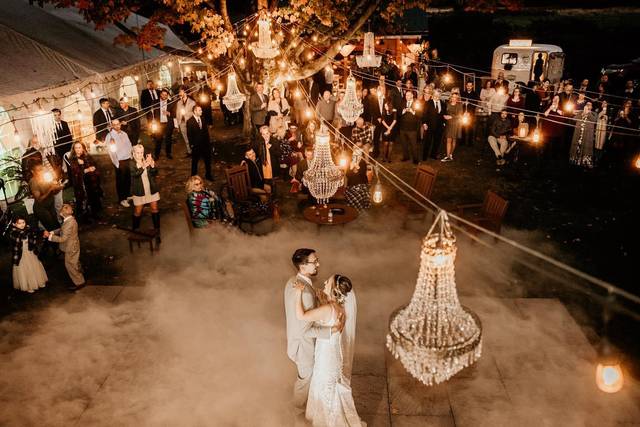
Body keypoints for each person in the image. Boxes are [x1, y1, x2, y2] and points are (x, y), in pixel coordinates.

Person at [292, 274, 362, 426]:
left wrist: (298, 293)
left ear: (334, 289)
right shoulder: (339, 308)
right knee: (329, 387)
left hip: (326, 357)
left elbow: (301, 315)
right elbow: (327, 314)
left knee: (323, 386)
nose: (324, 282)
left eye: (328, 282)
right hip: (334, 355)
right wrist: (323, 299)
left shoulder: (327, 309)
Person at [284, 249, 344, 410]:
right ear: (303, 266)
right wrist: (329, 331)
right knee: (305, 380)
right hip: (303, 346)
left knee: (306, 378)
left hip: (295, 340)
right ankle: (295, 412)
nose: (318, 264)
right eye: (314, 261)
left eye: (317, 260)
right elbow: (304, 329)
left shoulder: (293, 281)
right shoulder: (306, 294)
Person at [44, 204, 85, 291]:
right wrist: (52, 232)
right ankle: (80, 271)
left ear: (61, 214)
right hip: (73, 244)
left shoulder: (69, 223)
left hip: (70, 247)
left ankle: (79, 282)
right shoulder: (70, 220)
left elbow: (63, 239)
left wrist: (50, 237)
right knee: (74, 262)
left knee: (70, 265)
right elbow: (62, 229)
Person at [9, 215, 47, 293]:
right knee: (25, 269)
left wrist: (39, 234)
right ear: (14, 224)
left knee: (34, 266)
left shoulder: (28, 229)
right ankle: (29, 285)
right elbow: (17, 241)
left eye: (23, 222)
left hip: (30, 252)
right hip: (21, 255)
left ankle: (38, 282)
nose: (22, 224)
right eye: (19, 223)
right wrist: (25, 234)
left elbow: (35, 235)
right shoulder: (13, 233)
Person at [130, 144, 160, 236]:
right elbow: (135, 174)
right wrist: (143, 166)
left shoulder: (146, 160)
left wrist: (152, 165)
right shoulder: (131, 163)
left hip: (150, 188)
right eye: (138, 153)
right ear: (134, 153)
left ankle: (157, 230)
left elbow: (154, 173)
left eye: (141, 152)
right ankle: (135, 229)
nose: (140, 154)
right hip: (139, 190)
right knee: (138, 211)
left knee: (154, 208)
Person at [67, 142, 102, 218]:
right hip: (80, 183)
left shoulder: (87, 156)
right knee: (82, 200)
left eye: (79, 147)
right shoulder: (72, 159)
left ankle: (95, 213)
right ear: (74, 149)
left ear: (83, 148)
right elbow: (75, 172)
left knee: (93, 197)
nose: (78, 149)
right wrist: (85, 168)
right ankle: (84, 216)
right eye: (76, 148)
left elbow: (94, 164)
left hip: (90, 181)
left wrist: (93, 168)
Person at [105, 119, 133, 207]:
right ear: (112, 126)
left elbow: (129, 144)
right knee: (121, 180)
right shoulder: (110, 136)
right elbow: (111, 151)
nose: (117, 126)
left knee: (128, 178)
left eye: (118, 124)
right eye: (115, 124)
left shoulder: (124, 134)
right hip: (119, 161)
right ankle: (122, 199)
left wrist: (131, 155)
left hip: (127, 159)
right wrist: (116, 163)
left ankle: (127, 195)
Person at [29, 164, 64, 231]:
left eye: (42, 169)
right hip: (41, 209)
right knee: (52, 228)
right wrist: (50, 189)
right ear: (33, 171)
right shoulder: (33, 182)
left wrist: (59, 187)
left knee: (57, 225)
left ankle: (61, 240)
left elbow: (54, 192)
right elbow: (39, 199)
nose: (42, 171)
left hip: (50, 205)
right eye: (39, 170)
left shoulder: (45, 177)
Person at [187, 105, 213, 180]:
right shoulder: (190, 121)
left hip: (205, 145)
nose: (201, 111)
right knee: (195, 162)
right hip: (196, 146)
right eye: (199, 110)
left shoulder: (203, 119)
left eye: (201, 110)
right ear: (195, 111)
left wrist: (208, 143)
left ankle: (208, 175)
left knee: (208, 161)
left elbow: (206, 132)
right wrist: (192, 145)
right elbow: (189, 135)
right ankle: (193, 177)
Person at [569, 102, 597, 168]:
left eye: (589, 105)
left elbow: (594, 120)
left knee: (586, 149)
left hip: (587, 136)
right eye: (587, 104)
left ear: (592, 107)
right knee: (577, 147)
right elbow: (574, 119)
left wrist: (588, 113)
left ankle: (585, 162)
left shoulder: (594, 113)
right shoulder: (580, 112)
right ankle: (575, 160)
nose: (588, 105)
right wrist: (582, 113)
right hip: (578, 134)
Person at [398, 91, 422, 164]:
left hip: (412, 129)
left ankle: (415, 159)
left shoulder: (417, 103)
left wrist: (413, 112)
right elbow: (398, 113)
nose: (407, 96)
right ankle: (406, 157)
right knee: (404, 144)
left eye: (408, 95)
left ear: (412, 95)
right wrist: (403, 111)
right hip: (402, 128)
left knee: (413, 145)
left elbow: (420, 114)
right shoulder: (403, 103)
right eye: (406, 95)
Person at [345, 146, 371, 211]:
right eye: (354, 155)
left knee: (358, 191)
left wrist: (357, 168)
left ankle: (359, 206)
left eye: (357, 155)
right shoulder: (350, 163)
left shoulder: (363, 163)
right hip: (351, 185)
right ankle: (352, 207)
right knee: (351, 191)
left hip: (361, 184)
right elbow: (347, 175)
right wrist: (351, 168)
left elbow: (362, 175)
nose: (355, 157)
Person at [153, 89, 175, 160]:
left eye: (166, 95)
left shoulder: (171, 102)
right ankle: (157, 155)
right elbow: (151, 112)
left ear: (167, 95)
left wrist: (169, 113)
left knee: (168, 139)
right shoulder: (155, 103)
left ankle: (168, 153)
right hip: (159, 125)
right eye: (163, 94)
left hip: (168, 124)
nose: (164, 96)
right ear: (160, 94)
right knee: (158, 140)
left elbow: (175, 113)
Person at [424, 89, 445, 160]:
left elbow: (443, 114)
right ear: (433, 95)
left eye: (439, 95)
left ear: (440, 95)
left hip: (439, 126)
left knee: (437, 142)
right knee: (428, 141)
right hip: (429, 125)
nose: (437, 96)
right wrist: (424, 123)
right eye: (436, 94)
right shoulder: (428, 103)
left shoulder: (442, 103)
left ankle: (433, 154)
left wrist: (444, 122)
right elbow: (424, 114)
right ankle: (425, 156)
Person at [441, 93, 463, 162]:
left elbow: (460, 115)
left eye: (455, 97)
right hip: (448, 124)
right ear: (451, 97)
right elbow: (444, 112)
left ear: (457, 98)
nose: (454, 98)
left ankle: (450, 154)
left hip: (456, 124)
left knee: (454, 140)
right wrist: (444, 116)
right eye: (453, 97)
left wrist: (451, 117)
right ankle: (448, 156)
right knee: (448, 140)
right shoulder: (447, 104)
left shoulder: (459, 105)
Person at [176, 86, 197, 157]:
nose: (179, 93)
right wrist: (177, 124)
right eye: (179, 92)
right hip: (182, 123)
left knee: (192, 137)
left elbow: (194, 113)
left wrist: (186, 114)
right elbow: (177, 113)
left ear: (185, 92)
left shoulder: (192, 102)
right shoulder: (179, 102)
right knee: (185, 138)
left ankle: (195, 151)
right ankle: (189, 151)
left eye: (180, 91)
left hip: (190, 123)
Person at [461, 81, 478, 146]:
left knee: (470, 127)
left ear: (472, 86)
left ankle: (470, 142)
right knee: (463, 127)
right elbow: (460, 101)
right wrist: (463, 103)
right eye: (468, 86)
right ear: (466, 86)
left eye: (470, 86)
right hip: (463, 113)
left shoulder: (475, 94)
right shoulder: (463, 93)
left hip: (471, 114)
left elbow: (475, 104)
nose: (469, 87)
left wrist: (469, 111)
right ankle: (463, 141)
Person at [594, 101, 609, 165]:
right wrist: (602, 111)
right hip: (598, 128)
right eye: (603, 103)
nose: (604, 104)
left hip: (603, 129)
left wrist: (604, 112)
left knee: (601, 143)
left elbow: (607, 119)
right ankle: (595, 157)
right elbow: (598, 117)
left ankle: (599, 159)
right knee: (597, 142)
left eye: (605, 103)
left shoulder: (609, 112)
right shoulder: (598, 111)